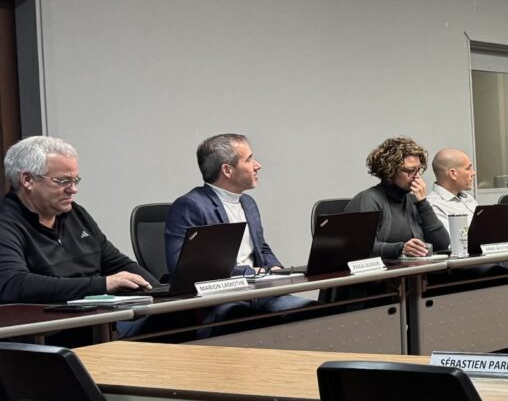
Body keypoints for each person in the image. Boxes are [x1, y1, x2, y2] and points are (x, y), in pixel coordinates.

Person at [165, 133, 313, 315]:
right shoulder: (190, 206)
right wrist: (250, 272)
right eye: (249, 159)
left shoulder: (248, 203)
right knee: (247, 317)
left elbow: (261, 248)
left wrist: (277, 270)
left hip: (260, 293)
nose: (258, 165)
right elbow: (185, 270)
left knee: (311, 311)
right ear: (227, 170)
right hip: (221, 300)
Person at [0, 136, 156, 304]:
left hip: (98, 314)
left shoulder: (75, 213)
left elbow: (116, 263)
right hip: (51, 317)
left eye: (75, 180)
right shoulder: (6, 223)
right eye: (63, 181)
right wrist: (102, 285)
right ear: (27, 180)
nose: (73, 189)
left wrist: (160, 292)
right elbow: (13, 285)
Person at [346, 136, 450, 258]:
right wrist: (401, 249)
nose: (417, 176)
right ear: (390, 171)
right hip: (385, 269)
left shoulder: (413, 200)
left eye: (418, 170)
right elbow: (360, 248)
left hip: (415, 268)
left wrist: (423, 203)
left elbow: (442, 244)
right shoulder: (368, 200)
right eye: (410, 171)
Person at [426, 148, 478, 238]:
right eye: (468, 168)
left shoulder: (467, 198)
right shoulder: (433, 206)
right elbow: (451, 241)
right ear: (453, 174)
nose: (473, 173)